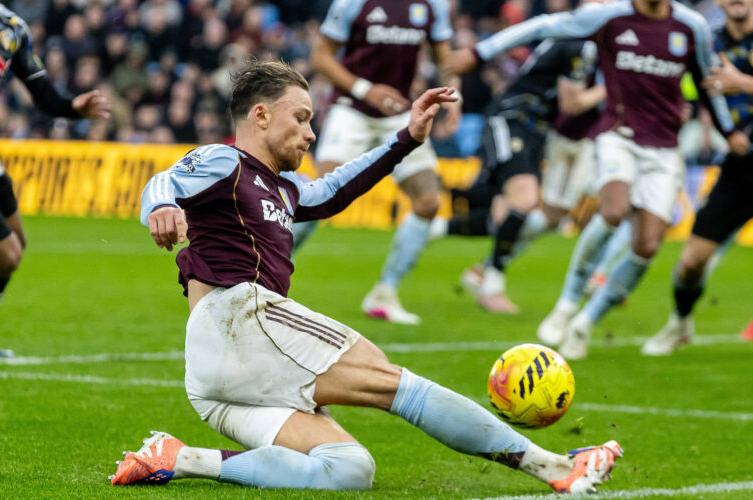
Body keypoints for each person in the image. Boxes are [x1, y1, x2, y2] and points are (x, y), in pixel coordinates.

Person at [110, 61, 622, 493]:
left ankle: (178, 457)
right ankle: (555, 467)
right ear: (261, 114)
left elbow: (334, 189)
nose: (311, 133)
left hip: (216, 377)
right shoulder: (229, 162)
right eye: (303, 119)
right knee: (396, 385)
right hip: (238, 317)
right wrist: (160, 207)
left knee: (348, 469)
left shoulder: (284, 189)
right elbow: (166, 179)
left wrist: (406, 139)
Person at [448, 0, 748, 359]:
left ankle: (586, 321)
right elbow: (543, 26)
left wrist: (728, 131)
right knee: (613, 211)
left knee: (648, 245)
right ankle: (566, 303)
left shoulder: (692, 26)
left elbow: (704, 81)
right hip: (617, 136)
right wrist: (481, 51)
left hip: (664, 148)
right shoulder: (609, 15)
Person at [301, 0, 461, 325]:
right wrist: (365, 89)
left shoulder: (432, 6)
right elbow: (320, 57)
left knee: (429, 201)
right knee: (320, 196)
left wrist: (454, 98)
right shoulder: (352, 3)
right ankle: (262, 272)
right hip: (352, 108)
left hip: (400, 113)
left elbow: (446, 58)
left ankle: (385, 293)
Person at [0, 1, 109, 357]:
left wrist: (72, 107)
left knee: (15, 246)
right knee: (3, 254)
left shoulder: (12, 29)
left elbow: (42, 93)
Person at [451, 35, 605, 313]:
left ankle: (468, 258)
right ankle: (491, 286)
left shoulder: (575, 39)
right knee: (523, 201)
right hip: (514, 118)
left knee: (522, 214)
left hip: (536, 129)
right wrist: (613, 90)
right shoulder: (579, 43)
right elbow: (572, 104)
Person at [643, 0, 753, 355]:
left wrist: (741, 82)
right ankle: (680, 321)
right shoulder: (706, 41)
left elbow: (731, 84)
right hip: (742, 165)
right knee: (691, 262)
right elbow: (696, 87)